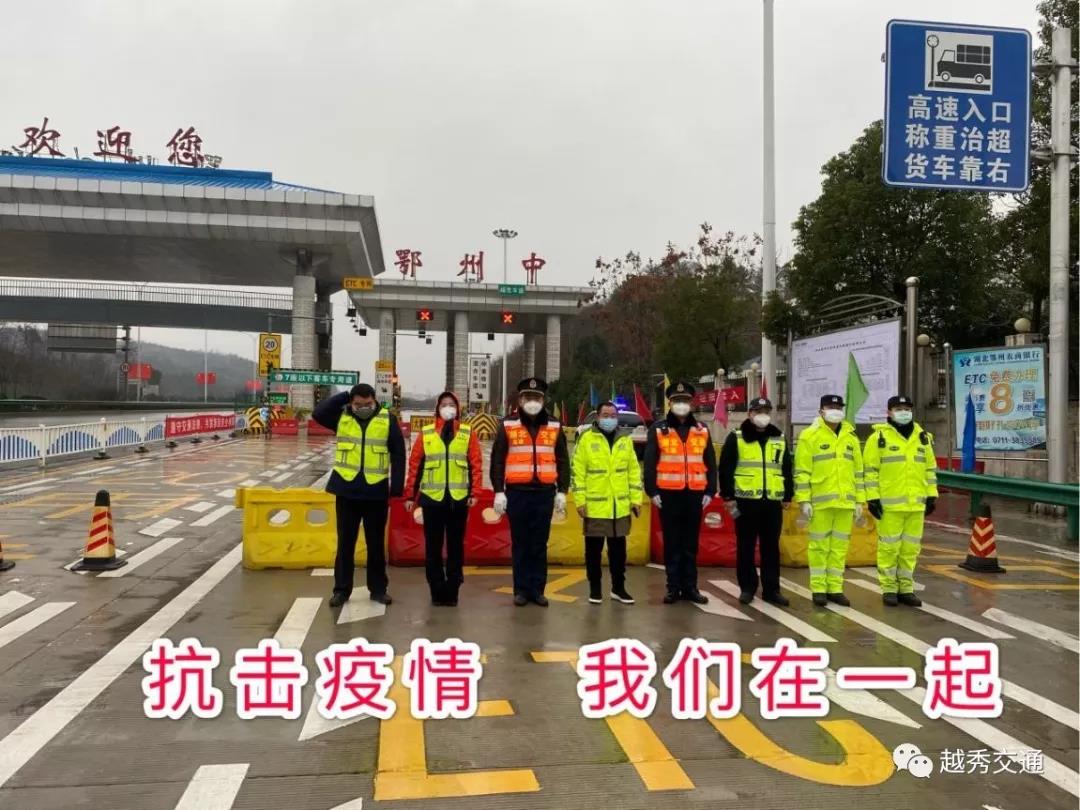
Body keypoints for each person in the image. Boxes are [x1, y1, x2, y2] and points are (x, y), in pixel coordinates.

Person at [312, 383, 405, 608]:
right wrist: (345, 395)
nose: (363, 407)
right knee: (345, 544)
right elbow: (318, 413)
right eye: (358, 404)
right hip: (347, 491)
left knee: (375, 545)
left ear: (375, 400)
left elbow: (398, 454)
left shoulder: (387, 419)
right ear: (351, 403)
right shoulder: (342, 417)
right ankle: (341, 590)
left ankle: (378, 589)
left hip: (375, 492)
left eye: (368, 404)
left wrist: (396, 488)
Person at [490, 377, 570, 607]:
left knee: (539, 544)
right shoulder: (508, 424)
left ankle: (537, 590)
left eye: (536, 397)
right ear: (520, 400)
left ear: (544, 400)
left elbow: (563, 460)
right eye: (528, 397)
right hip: (517, 493)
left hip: (544, 493)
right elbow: (497, 460)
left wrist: (562, 491)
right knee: (520, 543)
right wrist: (498, 491)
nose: (532, 402)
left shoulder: (554, 425)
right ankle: (521, 590)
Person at [404, 391, 483, 607]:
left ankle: (453, 588)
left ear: (458, 409)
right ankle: (436, 589)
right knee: (433, 548)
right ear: (437, 409)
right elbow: (415, 466)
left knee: (456, 548)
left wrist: (475, 492)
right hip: (432, 500)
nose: (448, 408)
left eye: (452, 404)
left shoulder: (468, 433)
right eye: (444, 404)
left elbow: (475, 464)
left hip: (458, 500)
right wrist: (410, 495)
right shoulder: (426, 433)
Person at [643, 380, 717, 605]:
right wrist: (652, 491)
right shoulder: (659, 429)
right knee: (672, 543)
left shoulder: (701, 429)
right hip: (668, 495)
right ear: (670, 403)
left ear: (691, 403)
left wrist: (710, 490)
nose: (682, 405)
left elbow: (710, 462)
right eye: (677, 401)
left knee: (690, 544)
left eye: (685, 401)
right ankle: (673, 588)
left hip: (695, 494)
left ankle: (691, 587)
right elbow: (649, 462)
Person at [863, 395, 938, 607]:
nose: (903, 412)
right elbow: (870, 471)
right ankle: (889, 588)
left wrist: (931, 494)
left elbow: (930, 469)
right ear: (889, 412)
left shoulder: (923, 437)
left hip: (916, 505)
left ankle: (906, 588)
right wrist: (872, 498)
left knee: (910, 549)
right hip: (889, 506)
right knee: (889, 549)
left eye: (907, 408)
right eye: (898, 409)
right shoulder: (878, 438)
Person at [718, 396, 793, 606]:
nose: (763, 416)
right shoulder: (737, 437)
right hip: (745, 502)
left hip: (772, 503)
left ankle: (772, 590)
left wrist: (787, 495)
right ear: (749, 414)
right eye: (758, 412)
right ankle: (747, 588)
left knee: (771, 548)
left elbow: (786, 468)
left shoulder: (779, 438)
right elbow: (725, 469)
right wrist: (728, 496)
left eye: (766, 412)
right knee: (746, 547)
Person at [793, 394, 865, 607]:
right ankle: (818, 589)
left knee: (839, 548)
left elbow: (858, 472)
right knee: (819, 547)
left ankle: (835, 588)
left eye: (838, 407)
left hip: (845, 503)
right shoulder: (809, 436)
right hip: (820, 503)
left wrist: (859, 501)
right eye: (830, 406)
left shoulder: (851, 437)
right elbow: (802, 471)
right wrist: (804, 501)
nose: (835, 410)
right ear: (821, 411)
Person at [571, 401, 642, 605]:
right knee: (593, 552)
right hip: (594, 506)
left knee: (618, 552)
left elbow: (633, 472)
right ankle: (595, 590)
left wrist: (636, 499)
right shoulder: (586, 439)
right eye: (605, 415)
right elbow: (578, 472)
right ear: (598, 417)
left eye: (613, 415)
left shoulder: (625, 440)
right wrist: (580, 501)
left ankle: (618, 589)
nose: (609, 419)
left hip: (619, 507)